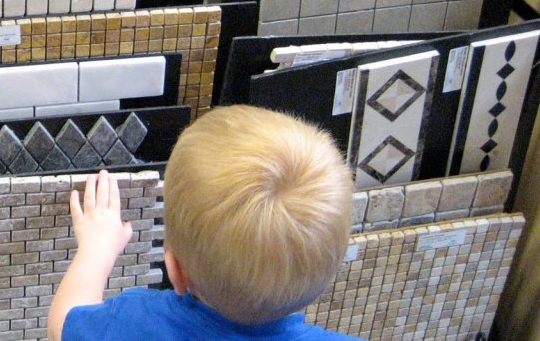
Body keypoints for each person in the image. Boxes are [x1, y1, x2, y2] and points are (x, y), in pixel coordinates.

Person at [47, 105, 362, 341]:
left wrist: (96, 251)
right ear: (326, 277)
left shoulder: (133, 323)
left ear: (176, 271)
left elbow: (61, 325)